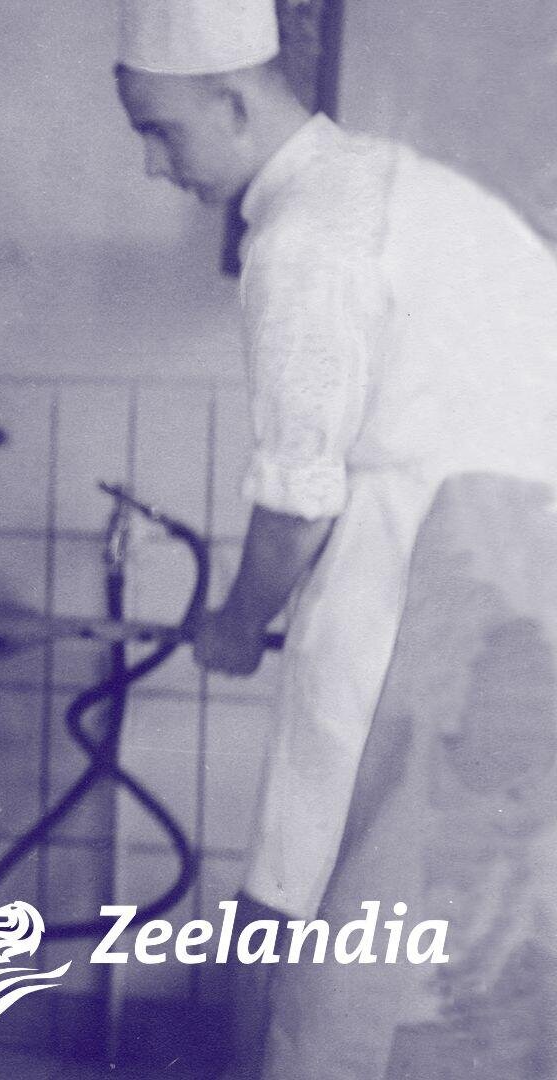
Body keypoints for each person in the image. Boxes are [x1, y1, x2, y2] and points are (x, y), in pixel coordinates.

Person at [115, 0, 557, 1074]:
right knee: (479, 939)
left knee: (334, 924)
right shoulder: (406, 187)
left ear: (231, 101)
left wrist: (233, 624)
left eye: (161, 132)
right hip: (520, 611)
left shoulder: (307, 237)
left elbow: (300, 502)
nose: (155, 166)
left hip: (419, 614)